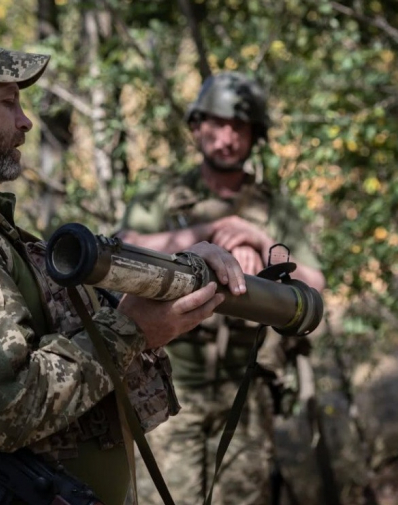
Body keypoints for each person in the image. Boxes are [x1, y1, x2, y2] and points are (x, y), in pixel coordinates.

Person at [0, 29, 249, 505]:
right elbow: (12, 406)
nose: (25, 122)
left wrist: (183, 269)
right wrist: (132, 331)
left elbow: (74, 308)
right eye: (8, 103)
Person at [117, 71, 325, 505]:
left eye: (240, 127)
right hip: (170, 386)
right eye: (218, 123)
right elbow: (120, 253)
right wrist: (215, 233)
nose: (228, 137)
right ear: (197, 127)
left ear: (255, 137)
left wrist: (258, 243)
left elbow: (316, 288)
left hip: (245, 390)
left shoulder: (272, 208)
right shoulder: (162, 199)